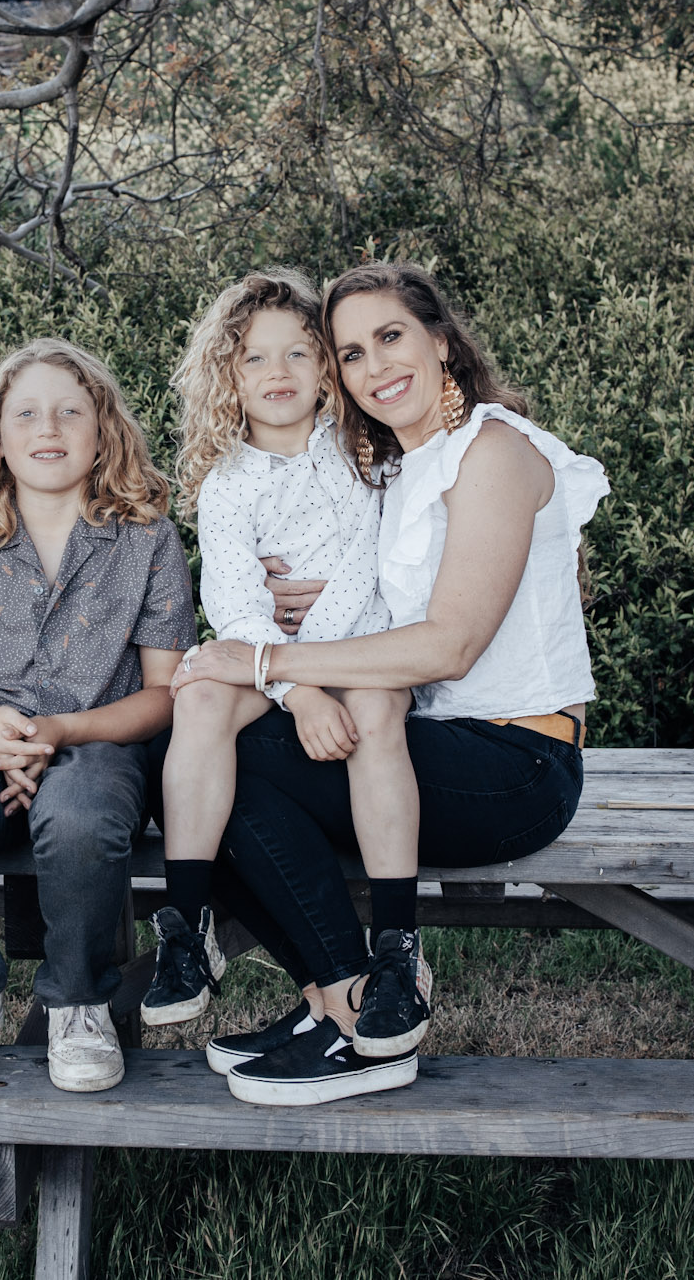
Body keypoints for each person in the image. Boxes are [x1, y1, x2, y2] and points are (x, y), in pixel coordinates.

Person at [171, 262, 609, 1106]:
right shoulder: (390, 467)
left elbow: (446, 645)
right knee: (205, 759)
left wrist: (270, 664)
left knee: (225, 752)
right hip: (419, 746)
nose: (376, 367)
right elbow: (350, 587)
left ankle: (368, 997)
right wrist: (286, 606)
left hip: (517, 759)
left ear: (442, 341)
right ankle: (342, 1003)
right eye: (352, 352)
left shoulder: (493, 451)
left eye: (392, 338)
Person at [0, 338, 196, 1094]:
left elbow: (163, 694)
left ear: (103, 431)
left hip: (103, 734)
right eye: (25, 412)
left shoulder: (148, 537)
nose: (47, 427)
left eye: (69, 411)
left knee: (84, 818)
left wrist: (63, 732)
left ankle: (80, 1003)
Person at [150, 269, 423, 1055]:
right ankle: (187, 928)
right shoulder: (226, 481)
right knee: (199, 695)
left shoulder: (357, 457)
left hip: (355, 647)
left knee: (374, 710)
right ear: (228, 378)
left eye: (299, 354)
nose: (279, 374)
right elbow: (233, 598)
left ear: (326, 370)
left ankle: (397, 945)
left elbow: (361, 573)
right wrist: (294, 682)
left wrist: (305, 669)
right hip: (272, 661)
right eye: (256, 359)